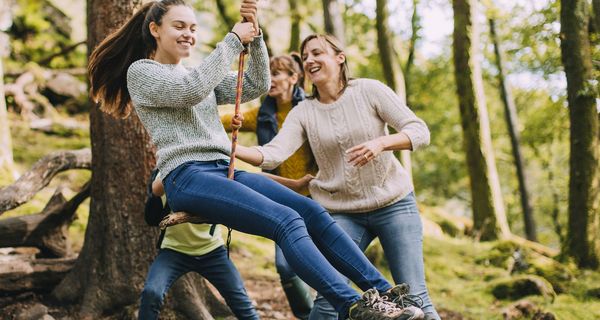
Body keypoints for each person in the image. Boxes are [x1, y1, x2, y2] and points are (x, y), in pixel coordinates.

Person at [87, 0, 424, 319]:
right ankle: (353, 307)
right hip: (187, 175)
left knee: (312, 212)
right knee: (286, 221)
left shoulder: (198, 73)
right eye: (179, 26)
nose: (189, 33)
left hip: (224, 170)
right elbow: (190, 89)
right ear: (155, 29)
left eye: (193, 27)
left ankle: (387, 295)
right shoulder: (143, 72)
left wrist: (255, 33)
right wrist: (233, 39)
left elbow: (256, 83)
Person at [234, 34, 440, 320]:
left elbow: (419, 131)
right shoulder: (303, 111)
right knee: (329, 302)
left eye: (317, 53)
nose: (310, 60)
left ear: (339, 58)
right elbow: (273, 153)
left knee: (415, 298)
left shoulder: (369, 90)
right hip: (342, 212)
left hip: (394, 203)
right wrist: (231, 149)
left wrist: (381, 143)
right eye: (305, 57)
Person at [221, 53, 317, 319]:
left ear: (293, 78)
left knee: (323, 261)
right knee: (285, 266)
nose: (269, 80)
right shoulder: (263, 113)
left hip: (316, 195)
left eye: (276, 74)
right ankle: (308, 315)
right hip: (281, 197)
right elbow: (221, 122)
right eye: (268, 74)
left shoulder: (311, 108)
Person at [139, 169, 259, 320]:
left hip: (213, 252)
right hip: (173, 251)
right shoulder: (167, 171)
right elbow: (155, 192)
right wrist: (169, 167)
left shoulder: (213, 171)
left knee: (241, 301)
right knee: (152, 293)